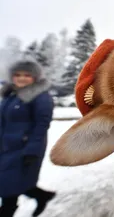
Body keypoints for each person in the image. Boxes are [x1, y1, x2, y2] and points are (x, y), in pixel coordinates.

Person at [0, 61, 56, 217]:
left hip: (23, 149)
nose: (21, 78)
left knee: (8, 188)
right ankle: (42, 196)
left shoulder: (41, 97)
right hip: (5, 148)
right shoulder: (11, 95)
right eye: (17, 75)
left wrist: (32, 150)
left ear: (35, 77)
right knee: (12, 182)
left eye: (27, 75)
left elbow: (42, 125)